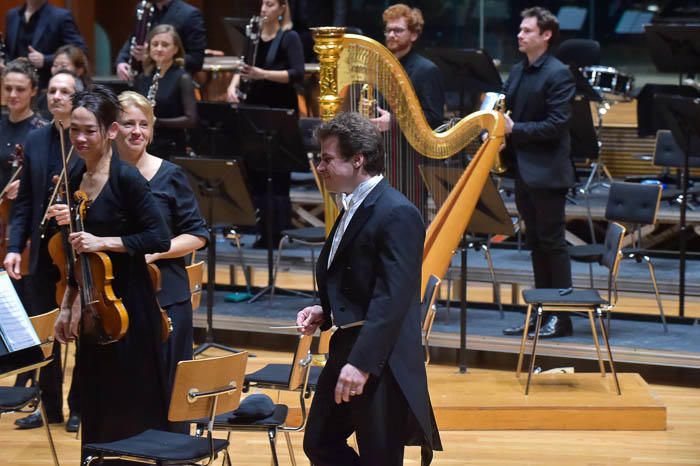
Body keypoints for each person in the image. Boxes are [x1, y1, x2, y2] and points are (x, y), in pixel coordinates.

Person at [297, 112, 441, 466]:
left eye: (327, 159)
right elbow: (355, 273)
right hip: (347, 345)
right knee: (319, 442)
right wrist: (325, 309)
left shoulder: (396, 212)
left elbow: (394, 297)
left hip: (380, 359)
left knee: (380, 456)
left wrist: (362, 364)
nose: (320, 167)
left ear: (357, 160)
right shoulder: (352, 204)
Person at [49, 86, 171, 460]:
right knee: (97, 407)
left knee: (132, 411)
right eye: (74, 130)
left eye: (89, 130)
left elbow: (159, 237)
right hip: (93, 309)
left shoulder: (126, 179)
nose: (81, 139)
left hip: (131, 310)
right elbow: (76, 252)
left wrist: (104, 242)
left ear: (111, 131)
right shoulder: (73, 175)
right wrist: (68, 307)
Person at [115, 90, 207, 431]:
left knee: (169, 396)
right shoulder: (99, 176)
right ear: (113, 128)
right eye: (128, 124)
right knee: (126, 393)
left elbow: (197, 234)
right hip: (116, 301)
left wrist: (153, 250)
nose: (137, 131)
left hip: (166, 298)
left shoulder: (170, 176)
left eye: (144, 124)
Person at [4, 70, 83, 431]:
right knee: (44, 332)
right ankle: (49, 408)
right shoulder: (36, 140)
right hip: (41, 253)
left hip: (80, 251)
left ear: (78, 98)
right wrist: (15, 246)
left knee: (83, 331)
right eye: (52, 90)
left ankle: (80, 406)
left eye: (65, 91)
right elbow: (24, 204)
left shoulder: (87, 141)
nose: (56, 96)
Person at [500, 6, 576, 339]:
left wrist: (515, 129)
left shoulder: (558, 73)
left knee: (552, 245)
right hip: (523, 171)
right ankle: (541, 314)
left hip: (547, 174)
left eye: (528, 30)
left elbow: (557, 125)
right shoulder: (518, 71)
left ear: (545, 35)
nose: (520, 34)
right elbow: (505, 110)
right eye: (520, 29)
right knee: (536, 245)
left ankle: (562, 317)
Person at [226, 0, 305, 248]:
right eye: (262, 4)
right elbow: (243, 66)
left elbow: (297, 74)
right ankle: (260, 231)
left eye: (270, 4)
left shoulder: (289, 37)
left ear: (282, 9)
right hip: (254, 110)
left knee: (278, 175)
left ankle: (278, 234)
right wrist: (232, 86)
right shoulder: (253, 36)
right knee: (256, 172)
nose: (263, 9)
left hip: (279, 110)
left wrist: (262, 74)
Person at [372, 3, 444, 130]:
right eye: (388, 30)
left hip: (410, 148)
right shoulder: (381, 67)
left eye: (398, 30)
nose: (391, 35)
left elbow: (435, 117)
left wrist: (394, 123)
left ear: (413, 35)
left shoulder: (427, 70)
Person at [133, 25, 197, 159]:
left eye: (165, 45)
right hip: (144, 144)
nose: (159, 49)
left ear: (175, 49)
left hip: (171, 147)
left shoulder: (182, 78)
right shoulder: (143, 77)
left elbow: (191, 120)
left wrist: (158, 121)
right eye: (155, 44)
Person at [2, 0, 87, 87]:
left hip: (47, 87)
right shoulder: (12, 15)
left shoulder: (61, 16)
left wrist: (45, 60)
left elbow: (80, 50)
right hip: (16, 85)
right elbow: (8, 50)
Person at [115, 0, 206, 81]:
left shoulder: (190, 14)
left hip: (173, 83)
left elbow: (196, 60)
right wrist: (121, 60)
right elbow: (134, 38)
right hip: (142, 80)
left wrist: (152, 57)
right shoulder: (142, 8)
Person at [36, 44, 92, 119]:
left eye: (64, 66)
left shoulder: (90, 100)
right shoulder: (43, 97)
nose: (58, 70)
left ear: (79, 70)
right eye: (55, 65)